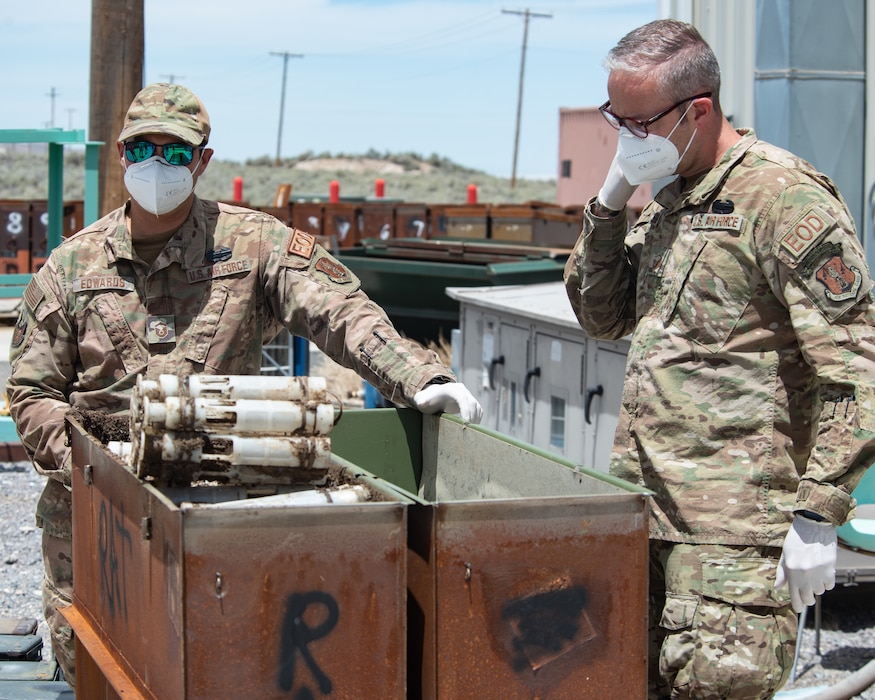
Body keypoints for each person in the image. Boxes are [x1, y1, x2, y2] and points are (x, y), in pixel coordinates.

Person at [6, 82, 482, 688]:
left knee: (228, 662)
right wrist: (100, 466)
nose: (158, 164)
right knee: (103, 669)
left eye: (175, 153)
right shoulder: (73, 267)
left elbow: (339, 309)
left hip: (223, 507)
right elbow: (32, 393)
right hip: (100, 524)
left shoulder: (256, 246)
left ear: (202, 159)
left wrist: (419, 376)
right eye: (143, 149)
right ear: (122, 156)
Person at [564, 19, 875, 699]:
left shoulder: (782, 198)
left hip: (731, 541)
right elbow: (600, 316)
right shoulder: (669, 200)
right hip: (642, 516)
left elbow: (853, 368)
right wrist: (609, 207)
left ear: (697, 110)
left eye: (638, 122)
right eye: (616, 118)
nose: (627, 137)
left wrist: (818, 513)